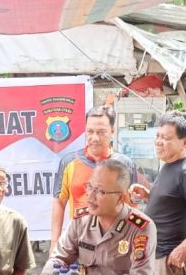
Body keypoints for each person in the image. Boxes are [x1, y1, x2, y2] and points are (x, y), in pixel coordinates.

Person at [29, 158, 155, 275]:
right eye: (89, 187)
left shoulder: (140, 227)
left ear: (120, 198)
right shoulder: (81, 220)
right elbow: (60, 258)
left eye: (100, 191)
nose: (90, 197)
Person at [129, 113, 186, 275]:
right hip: (154, 254)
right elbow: (174, 202)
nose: (158, 142)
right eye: (158, 136)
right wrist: (148, 195)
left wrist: (184, 247)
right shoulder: (169, 165)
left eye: (166, 138)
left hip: (169, 259)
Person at [51, 104, 138, 249]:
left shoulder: (125, 164)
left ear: (112, 131)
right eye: (90, 131)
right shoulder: (69, 162)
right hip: (79, 242)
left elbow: (132, 207)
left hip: (115, 243)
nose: (94, 138)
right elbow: (59, 202)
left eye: (101, 132)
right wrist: (54, 243)